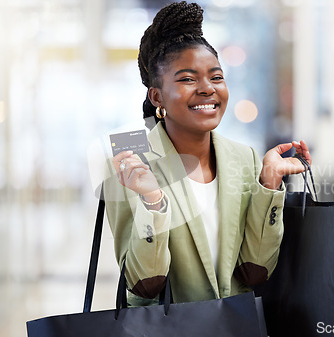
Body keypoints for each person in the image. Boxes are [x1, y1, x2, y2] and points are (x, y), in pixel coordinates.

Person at [104, 1, 311, 307]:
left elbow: (254, 273)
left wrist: (268, 183)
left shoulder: (246, 158)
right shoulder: (131, 162)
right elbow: (143, 285)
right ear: (157, 96)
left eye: (216, 77)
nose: (207, 89)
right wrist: (153, 201)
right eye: (188, 79)